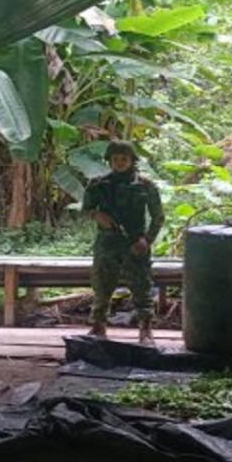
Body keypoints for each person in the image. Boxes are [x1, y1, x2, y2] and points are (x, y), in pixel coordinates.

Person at [82, 140, 165, 344]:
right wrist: (96, 215)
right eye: (115, 159)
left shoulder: (145, 186)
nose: (119, 163)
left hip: (135, 242)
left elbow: (158, 217)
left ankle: (145, 328)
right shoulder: (98, 185)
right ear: (109, 161)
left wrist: (147, 240)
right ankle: (98, 325)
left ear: (132, 161)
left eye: (124, 159)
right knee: (102, 285)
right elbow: (86, 209)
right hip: (107, 242)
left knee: (141, 286)